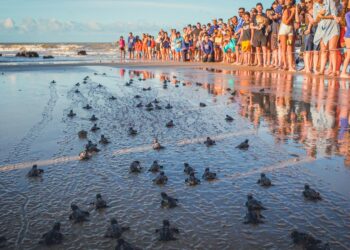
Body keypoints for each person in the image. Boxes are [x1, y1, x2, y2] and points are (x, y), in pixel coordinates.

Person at [313, 0, 340, 76]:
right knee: (323, 50)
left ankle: (334, 70)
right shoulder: (315, 5)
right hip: (322, 28)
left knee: (332, 49)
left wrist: (324, 16)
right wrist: (319, 15)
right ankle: (322, 70)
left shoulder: (330, 2)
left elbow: (335, 15)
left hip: (332, 27)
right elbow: (316, 21)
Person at [278, 0, 297, 71]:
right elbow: (285, 22)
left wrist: (296, 11)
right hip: (284, 31)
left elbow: (296, 21)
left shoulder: (293, 9)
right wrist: (292, 14)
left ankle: (290, 66)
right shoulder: (285, 10)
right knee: (284, 48)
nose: (286, 1)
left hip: (290, 31)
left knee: (289, 48)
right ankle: (285, 65)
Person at [340, 0, 350, 77]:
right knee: (349, 55)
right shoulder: (348, 14)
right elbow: (349, 25)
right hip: (348, 36)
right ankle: (343, 72)